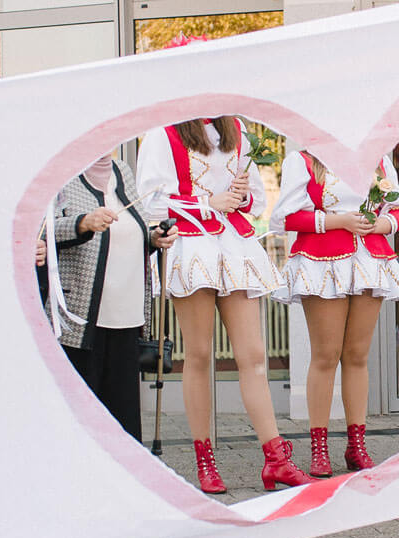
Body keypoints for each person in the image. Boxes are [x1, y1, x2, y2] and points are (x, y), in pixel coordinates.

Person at [138, 116, 310, 493]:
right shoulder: (162, 132)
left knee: (253, 356)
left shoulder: (235, 128)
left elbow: (257, 202)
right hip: (191, 245)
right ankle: (205, 461)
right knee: (198, 355)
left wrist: (241, 196)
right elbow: (149, 202)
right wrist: (207, 202)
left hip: (234, 246)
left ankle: (276, 459)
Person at [269, 151, 399, 476]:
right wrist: (340, 221)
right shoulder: (302, 160)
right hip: (322, 262)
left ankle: (356, 446)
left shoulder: (376, 157)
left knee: (357, 356)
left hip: (369, 259)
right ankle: (318, 448)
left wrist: (384, 223)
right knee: (325, 355)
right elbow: (286, 218)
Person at [47, 153, 176, 440]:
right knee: (82, 415)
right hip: (81, 317)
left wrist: (155, 238)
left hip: (127, 313)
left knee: (124, 416)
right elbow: (44, 229)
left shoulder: (122, 171)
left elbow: (135, 230)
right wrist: (83, 223)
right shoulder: (61, 173)